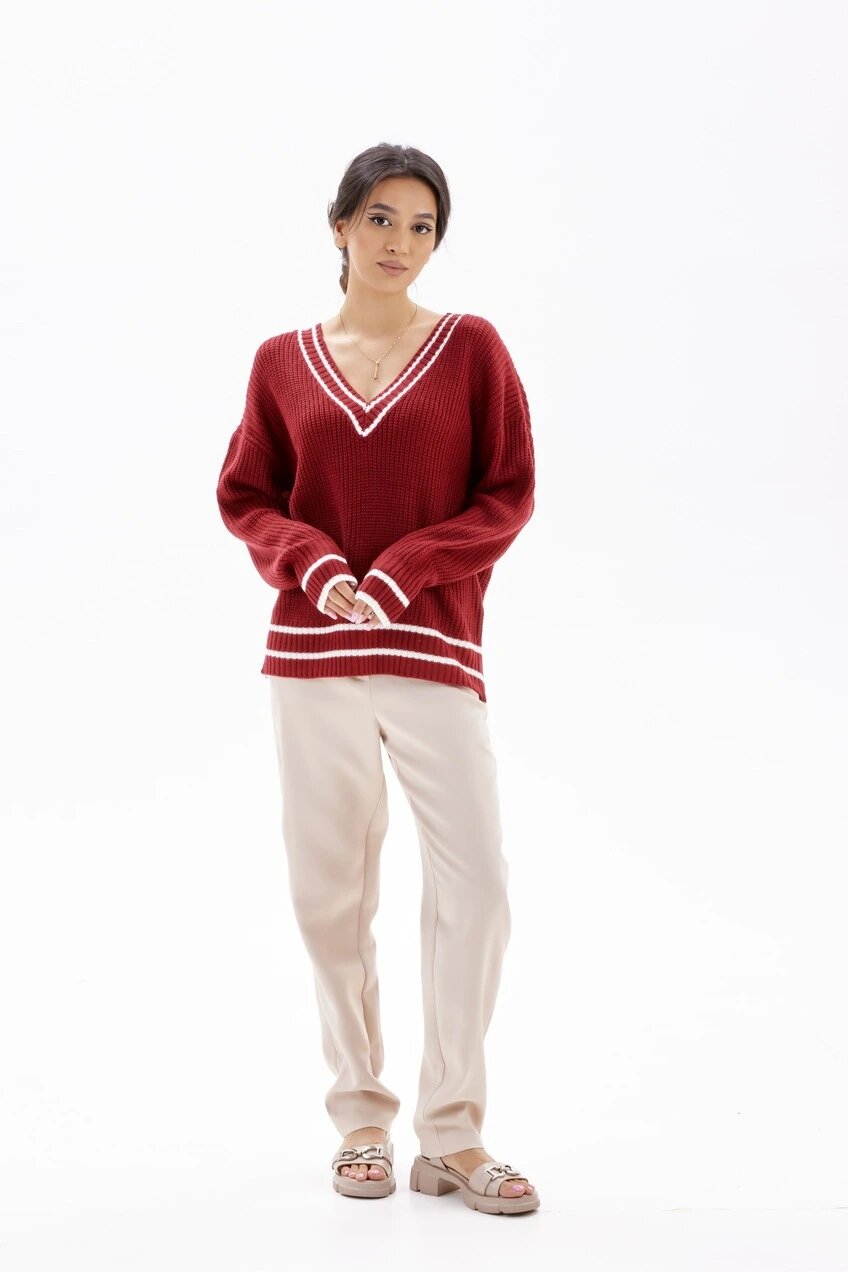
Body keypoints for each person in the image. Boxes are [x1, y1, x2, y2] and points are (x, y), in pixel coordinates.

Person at [216, 142, 539, 1215]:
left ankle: (453, 1133)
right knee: (330, 893)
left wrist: (405, 570)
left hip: (431, 649)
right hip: (311, 661)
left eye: (421, 225)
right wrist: (311, 562)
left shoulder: (471, 349)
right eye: (381, 219)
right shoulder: (280, 362)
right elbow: (247, 496)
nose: (401, 242)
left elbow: (506, 494)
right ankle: (360, 1118)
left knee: (476, 885)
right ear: (340, 227)